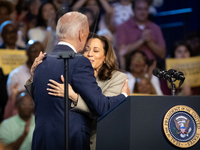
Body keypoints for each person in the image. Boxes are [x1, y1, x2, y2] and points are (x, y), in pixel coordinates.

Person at [28, 12, 130, 150]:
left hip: (41, 140)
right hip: (70, 141)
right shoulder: (79, 62)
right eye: (87, 33)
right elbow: (101, 107)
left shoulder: (41, 61)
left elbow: (41, 100)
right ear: (82, 33)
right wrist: (124, 96)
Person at [116, 0, 166, 69]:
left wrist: (150, 43)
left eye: (145, 9)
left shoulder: (155, 28)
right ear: (133, 10)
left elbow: (163, 54)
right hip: (131, 69)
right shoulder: (122, 27)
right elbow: (121, 52)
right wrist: (141, 41)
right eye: (139, 9)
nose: (142, 12)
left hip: (151, 69)